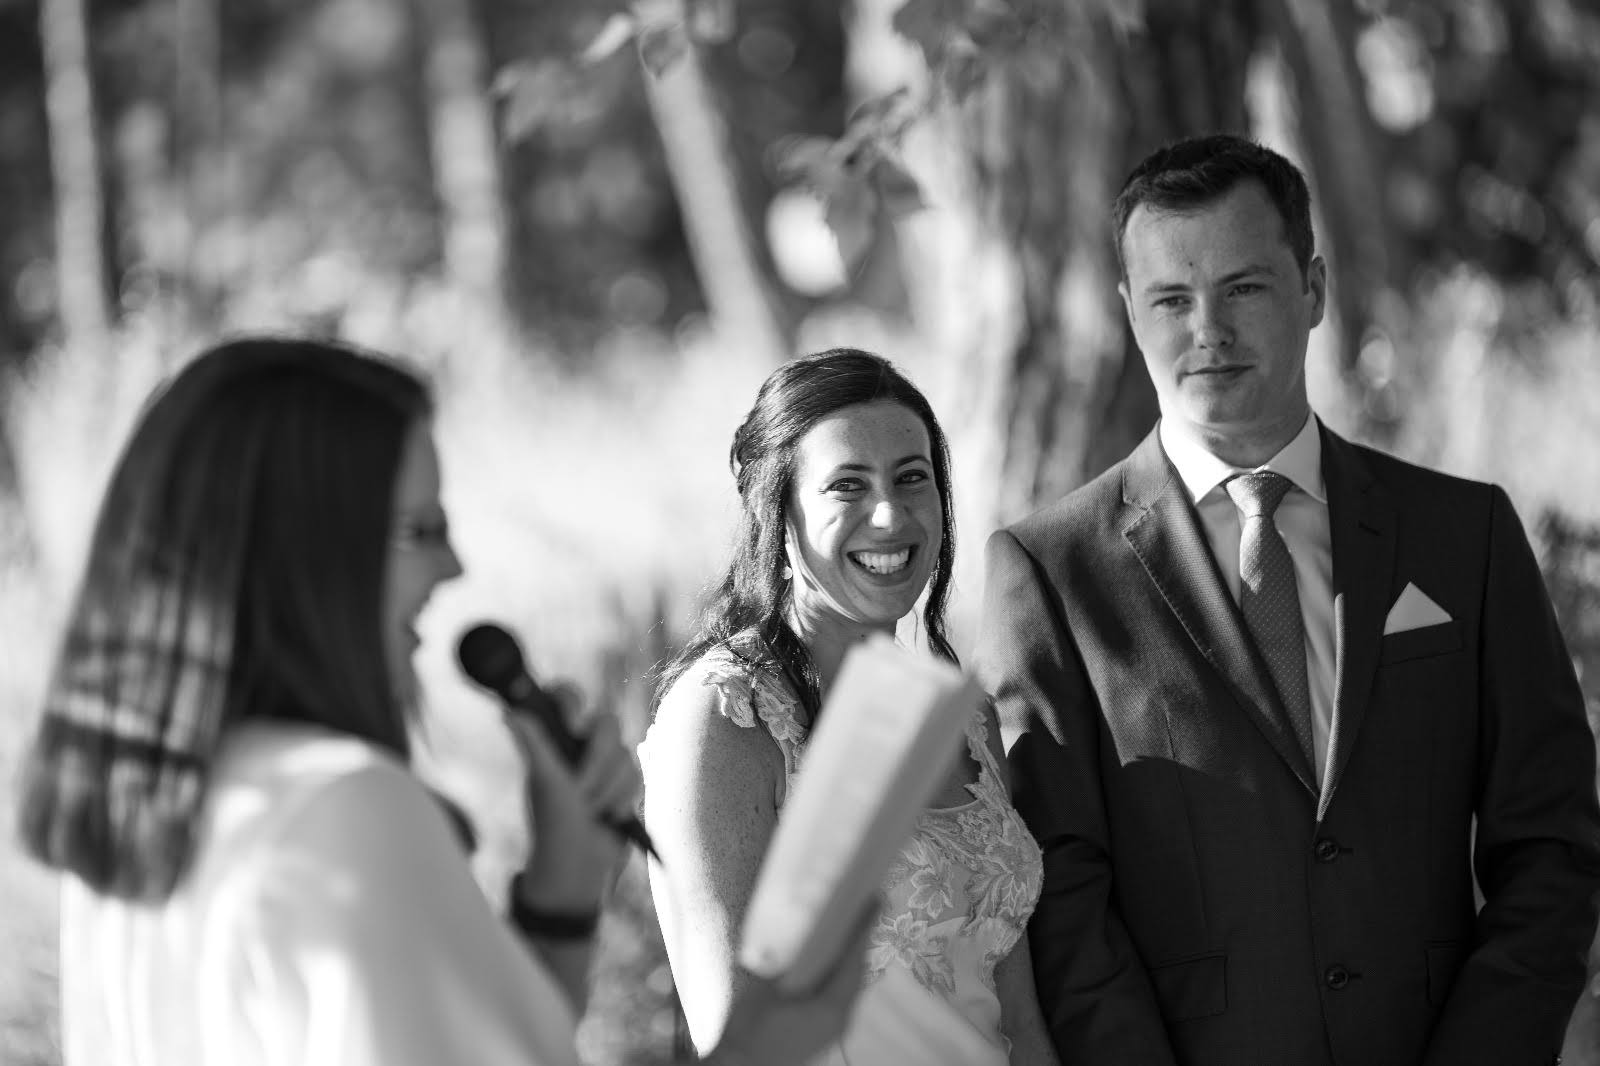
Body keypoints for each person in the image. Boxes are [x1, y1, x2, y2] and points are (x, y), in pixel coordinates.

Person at [15, 336, 875, 1066]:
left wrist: (562, 887)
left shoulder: (154, 805)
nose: (455, 567)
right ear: (305, 556)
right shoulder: (342, 806)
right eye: (420, 530)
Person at [974, 132, 1600, 1066]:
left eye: (1244, 288)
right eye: (1171, 300)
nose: (1207, 331)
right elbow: (1062, 892)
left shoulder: (1463, 535)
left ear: (1312, 288)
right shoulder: (1051, 572)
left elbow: (1551, 841)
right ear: (1127, 312)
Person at [641, 348, 1058, 1066]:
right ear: (780, 511)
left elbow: (1017, 1015)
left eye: (911, 478)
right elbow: (736, 1042)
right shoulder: (725, 716)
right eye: (847, 486)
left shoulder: (969, 721)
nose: (889, 514)